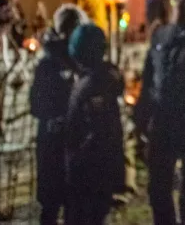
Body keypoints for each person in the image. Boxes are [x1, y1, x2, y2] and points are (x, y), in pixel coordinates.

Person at [135, 0, 185, 225]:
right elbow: (149, 79)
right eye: (178, 3)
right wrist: (141, 118)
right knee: (158, 186)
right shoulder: (162, 35)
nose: (179, 8)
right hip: (163, 120)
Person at [30, 4, 85, 225]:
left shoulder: (82, 62)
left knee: (75, 203)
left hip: (76, 142)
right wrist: (57, 117)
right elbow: (36, 103)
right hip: (53, 141)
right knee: (51, 203)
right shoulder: (49, 63)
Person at [64, 24, 125, 225]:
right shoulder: (100, 79)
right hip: (99, 172)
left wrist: (76, 162)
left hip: (88, 175)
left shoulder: (91, 85)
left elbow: (97, 132)